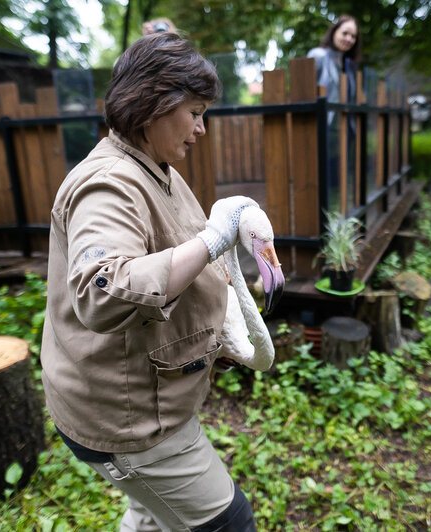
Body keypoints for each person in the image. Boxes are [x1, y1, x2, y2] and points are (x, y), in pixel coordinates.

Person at [40, 32, 259, 531]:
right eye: (196, 111)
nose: (202, 128)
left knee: (151, 515)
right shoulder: (108, 183)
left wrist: (212, 338)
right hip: (127, 419)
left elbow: (172, 259)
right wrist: (215, 239)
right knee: (231, 523)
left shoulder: (156, 166)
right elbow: (103, 290)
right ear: (155, 103)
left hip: (152, 394)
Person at [307, 14, 361, 212]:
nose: (348, 39)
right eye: (345, 33)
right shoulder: (319, 55)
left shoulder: (347, 64)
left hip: (343, 128)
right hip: (324, 126)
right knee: (319, 177)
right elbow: (305, 88)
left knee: (335, 180)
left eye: (353, 36)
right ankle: (317, 216)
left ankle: (330, 216)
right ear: (334, 32)